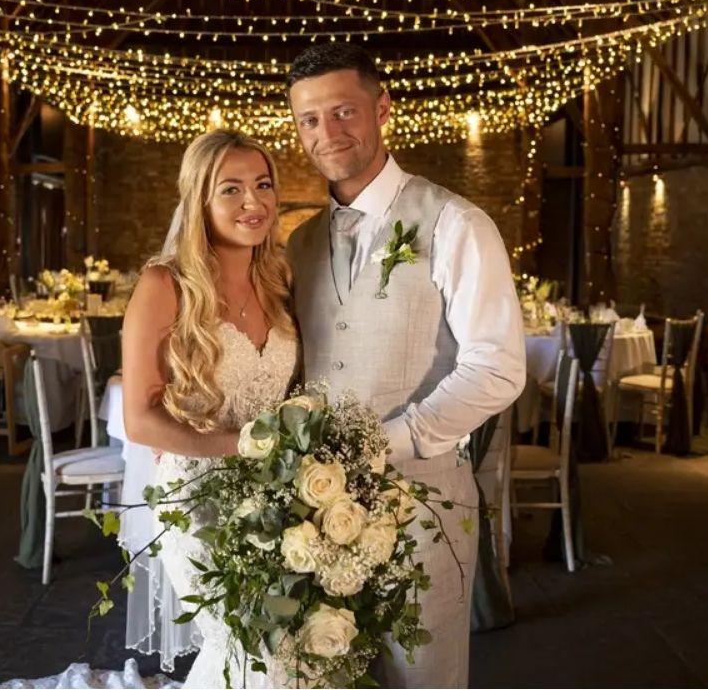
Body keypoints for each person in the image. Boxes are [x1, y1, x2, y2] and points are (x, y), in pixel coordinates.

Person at [284, 42, 527, 688]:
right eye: (309, 119)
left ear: (382, 107)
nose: (327, 133)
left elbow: (499, 367)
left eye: (343, 111)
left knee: (423, 677)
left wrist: (393, 440)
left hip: (426, 514)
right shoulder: (299, 243)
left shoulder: (456, 224)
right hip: (316, 524)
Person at [120, 129, 299, 688]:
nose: (254, 202)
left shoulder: (279, 280)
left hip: (280, 496)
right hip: (198, 501)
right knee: (250, 646)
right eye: (232, 189)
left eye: (263, 185)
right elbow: (138, 418)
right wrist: (239, 446)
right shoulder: (163, 284)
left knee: (288, 641)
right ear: (200, 198)